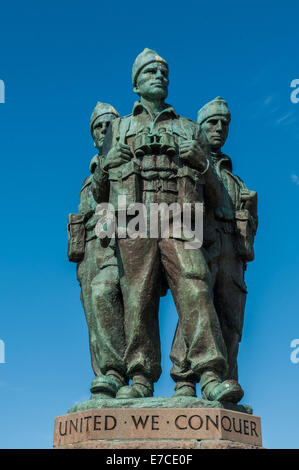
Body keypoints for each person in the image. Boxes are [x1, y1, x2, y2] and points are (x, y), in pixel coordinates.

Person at [92, 49, 244, 403]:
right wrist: (104, 166)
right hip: (133, 215)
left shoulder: (189, 127)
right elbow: (100, 194)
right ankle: (141, 376)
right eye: (149, 71)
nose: (158, 75)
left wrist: (203, 165)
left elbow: (216, 193)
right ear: (135, 83)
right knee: (138, 295)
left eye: (163, 71)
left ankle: (208, 374)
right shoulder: (119, 127)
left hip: (179, 212)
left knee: (195, 285)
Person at [170, 97, 258, 397]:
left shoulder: (235, 178)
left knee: (231, 321)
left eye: (224, 123)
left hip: (233, 252)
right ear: (200, 126)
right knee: (196, 309)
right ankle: (185, 379)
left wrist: (251, 211)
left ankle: (225, 380)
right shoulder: (190, 162)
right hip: (202, 244)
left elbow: (246, 221)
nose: (219, 128)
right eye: (212, 122)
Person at [68, 102, 128, 398]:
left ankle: (122, 374)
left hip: (119, 246)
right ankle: (105, 378)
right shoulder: (87, 178)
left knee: (115, 305)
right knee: (94, 318)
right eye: (98, 126)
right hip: (89, 252)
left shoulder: (127, 165)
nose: (104, 130)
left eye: (109, 124)